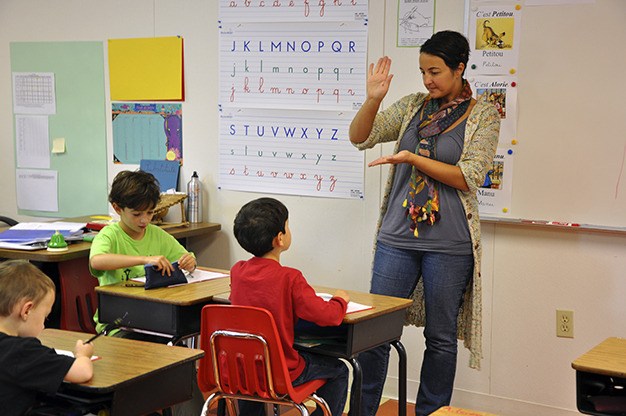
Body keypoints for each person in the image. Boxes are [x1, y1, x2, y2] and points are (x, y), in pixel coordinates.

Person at [348, 31, 500, 415]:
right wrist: (373, 99)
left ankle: (432, 412)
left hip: (450, 243)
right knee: (374, 331)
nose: (427, 80)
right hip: (396, 238)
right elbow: (360, 138)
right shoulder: (413, 106)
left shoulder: (483, 115)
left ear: (459, 68)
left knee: (441, 337)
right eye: (422, 71)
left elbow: (469, 175)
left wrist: (413, 159)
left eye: (435, 71)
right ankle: (363, 410)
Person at [89, 170, 203, 415]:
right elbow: (97, 261)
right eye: (137, 214)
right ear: (117, 208)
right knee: (147, 368)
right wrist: (143, 258)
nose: (144, 220)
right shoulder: (110, 234)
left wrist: (189, 261)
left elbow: (187, 257)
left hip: (156, 323)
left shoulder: (156, 234)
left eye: (150, 213)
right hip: (120, 326)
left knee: (182, 365)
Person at [230, 197, 350, 416]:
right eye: (287, 226)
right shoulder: (290, 278)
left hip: (240, 371)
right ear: (280, 239)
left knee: (252, 377)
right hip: (281, 372)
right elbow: (327, 316)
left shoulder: (237, 271)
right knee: (340, 369)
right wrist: (340, 300)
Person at [0, 259, 94, 416]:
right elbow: (82, 373)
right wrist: (83, 355)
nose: (44, 326)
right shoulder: (22, 351)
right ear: (27, 310)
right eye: (45, 317)